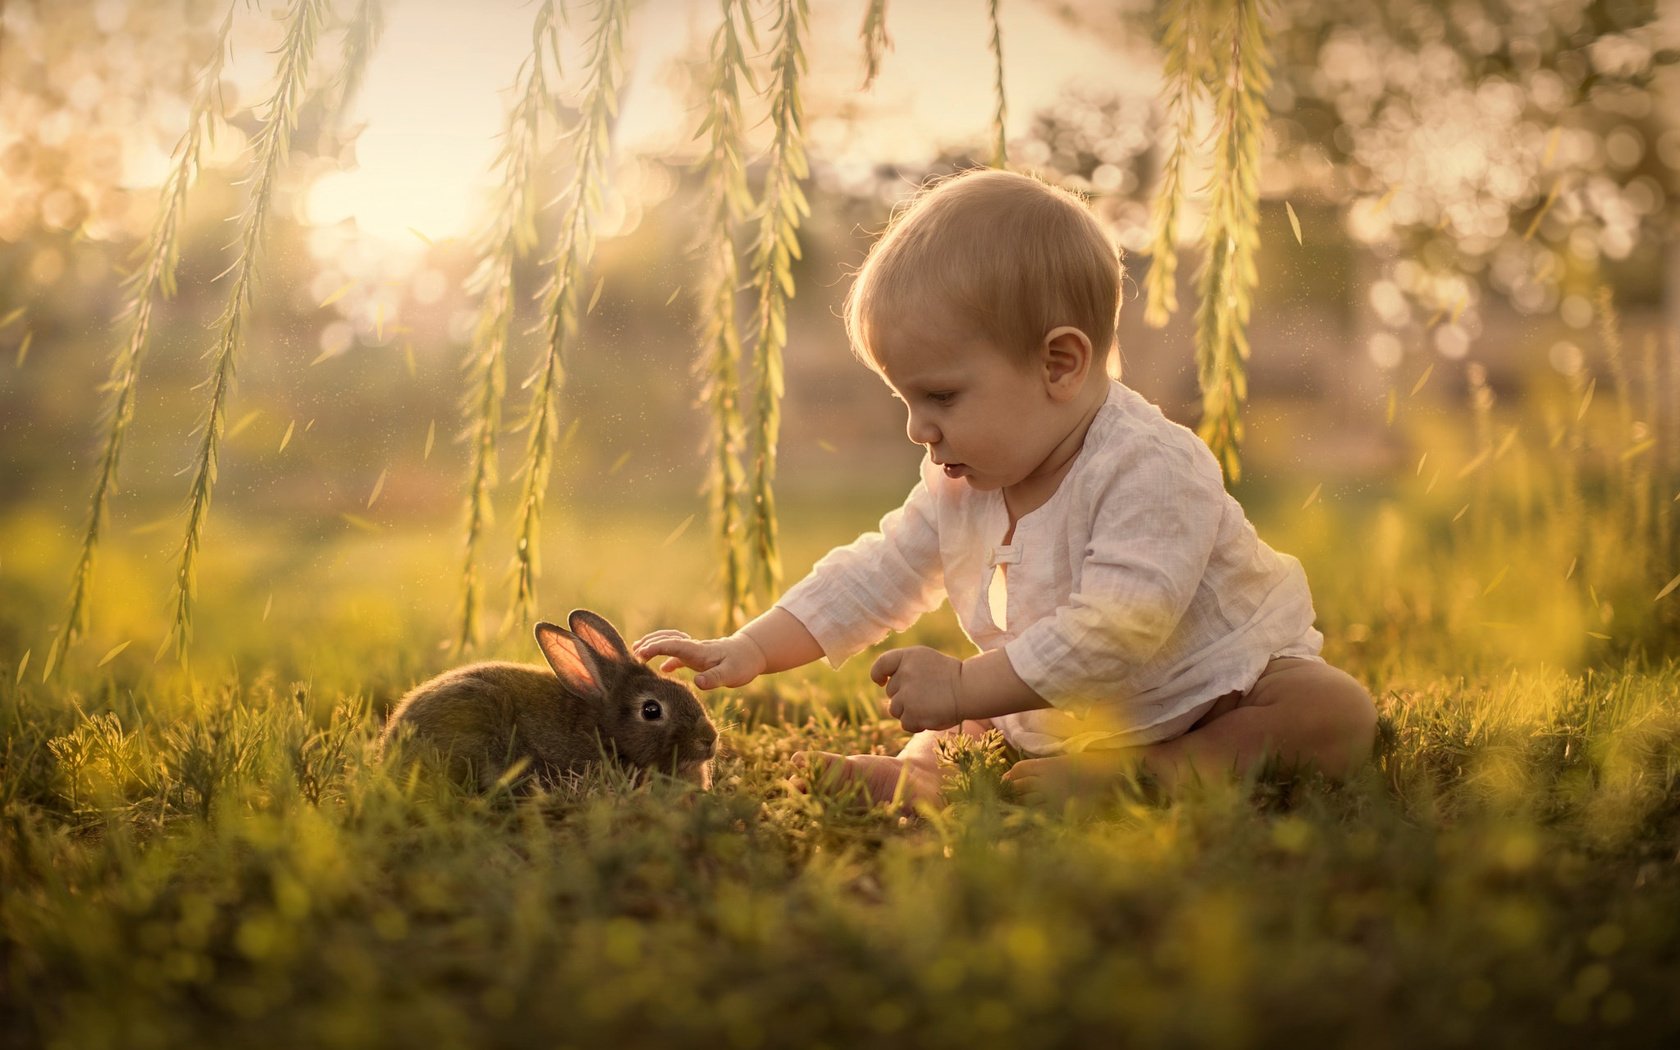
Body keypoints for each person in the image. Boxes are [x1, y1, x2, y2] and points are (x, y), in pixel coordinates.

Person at [633, 168, 1377, 808]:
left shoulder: (1152, 468)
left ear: (1059, 364)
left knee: (1328, 708)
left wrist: (964, 687)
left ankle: (1156, 774)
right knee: (965, 725)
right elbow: (880, 570)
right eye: (907, 404)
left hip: (1206, 694)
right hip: (1049, 705)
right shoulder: (965, 480)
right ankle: (925, 776)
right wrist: (752, 646)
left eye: (942, 398)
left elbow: (1121, 629)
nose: (919, 431)